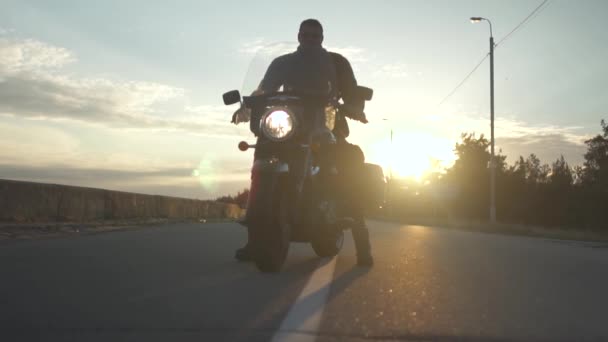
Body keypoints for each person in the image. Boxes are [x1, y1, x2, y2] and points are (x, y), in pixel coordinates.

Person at [232, 19, 373, 266]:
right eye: (306, 35)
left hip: (324, 125)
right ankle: (255, 239)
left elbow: (351, 92)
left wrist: (354, 107)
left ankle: (363, 246)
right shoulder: (283, 63)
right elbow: (264, 90)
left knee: (348, 167)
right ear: (298, 36)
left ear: (322, 38)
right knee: (262, 153)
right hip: (290, 124)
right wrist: (246, 108)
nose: (310, 39)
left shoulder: (336, 63)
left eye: (315, 36)